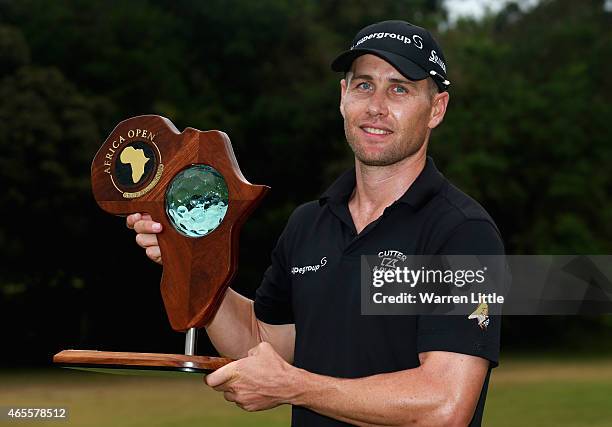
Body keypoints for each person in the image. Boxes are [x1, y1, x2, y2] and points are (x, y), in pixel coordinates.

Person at [127, 20, 504, 427]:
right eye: (363, 85)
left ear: (436, 109)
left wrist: (295, 387)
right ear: (343, 96)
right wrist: (192, 261)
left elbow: (445, 407)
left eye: (400, 89)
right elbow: (260, 342)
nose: (376, 106)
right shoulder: (309, 223)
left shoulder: (463, 232)